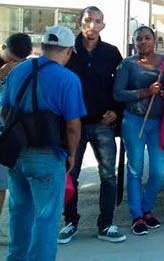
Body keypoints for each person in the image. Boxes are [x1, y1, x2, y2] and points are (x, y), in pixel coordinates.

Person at [2, 26, 86, 261]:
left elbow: (6, 110)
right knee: (46, 218)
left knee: (19, 212)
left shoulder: (17, 71)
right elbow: (72, 125)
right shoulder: (68, 79)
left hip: (17, 152)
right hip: (48, 155)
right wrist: (71, 155)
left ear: (43, 47)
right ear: (68, 51)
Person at [59, 6, 126, 244]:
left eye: (98, 21)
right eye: (88, 20)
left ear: (103, 25)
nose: (92, 26)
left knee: (108, 176)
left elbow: (120, 87)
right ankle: (70, 223)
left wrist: (116, 112)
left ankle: (106, 224)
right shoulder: (67, 53)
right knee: (71, 174)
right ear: (79, 22)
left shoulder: (111, 53)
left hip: (102, 124)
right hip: (73, 125)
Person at [113, 26, 164, 235]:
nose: (143, 42)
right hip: (134, 121)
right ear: (133, 43)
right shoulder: (127, 65)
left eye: (147, 38)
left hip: (159, 123)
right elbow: (118, 94)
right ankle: (136, 215)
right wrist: (146, 92)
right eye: (138, 39)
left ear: (155, 40)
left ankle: (147, 208)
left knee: (158, 172)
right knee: (135, 169)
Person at [0, 33, 33, 246]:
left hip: (9, 132)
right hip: (15, 133)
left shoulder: (17, 70)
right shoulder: (27, 69)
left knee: (4, 184)